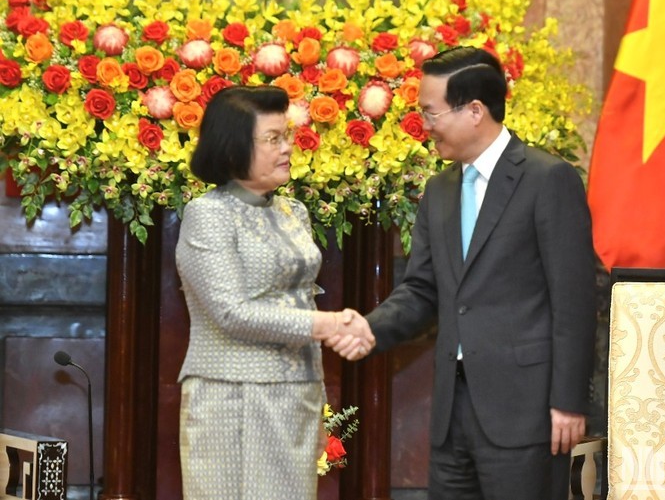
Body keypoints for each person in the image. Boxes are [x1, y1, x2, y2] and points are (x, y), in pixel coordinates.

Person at [352, 46, 597, 500]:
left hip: (529, 410)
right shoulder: (440, 189)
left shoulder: (547, 180)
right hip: (452, 411)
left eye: (431, 112)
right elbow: (422, 290)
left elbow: (575, 299)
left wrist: (568, 401)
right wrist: (366, 329)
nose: (424, 125)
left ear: (475, 111)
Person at [175, 85, 374, 500]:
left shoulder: (292, 211)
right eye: (272, 139)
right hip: (233, 399)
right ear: (232, 147)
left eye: (287, 136)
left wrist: (317, 399)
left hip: (295, 396)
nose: (287, 148)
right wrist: (329, 323)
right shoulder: (207, 215)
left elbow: (302, 300)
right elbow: (231, 312)